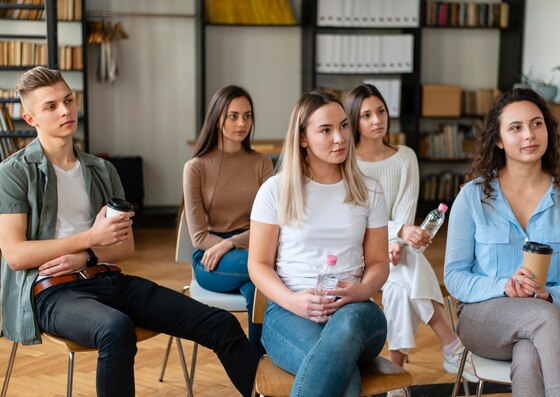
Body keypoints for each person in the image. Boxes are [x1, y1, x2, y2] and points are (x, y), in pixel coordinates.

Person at [0, 66, 261, 397]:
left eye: (68, 100)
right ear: (30, 118)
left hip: (108, 278)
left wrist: (86, 255)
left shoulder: (102, 170)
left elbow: (125, 247)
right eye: (50, 106)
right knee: (116, 328)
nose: (65, 110)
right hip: (52, 292)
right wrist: (90, 238)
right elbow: (15, 254)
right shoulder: (14, 173)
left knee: (221, 324)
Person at [444, 88, 560, 397]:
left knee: (530, 355)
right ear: (499, 139)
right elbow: (455, 277)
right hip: (486, 319)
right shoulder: (472, 197)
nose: (529, 134)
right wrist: (503, 286)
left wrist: (550, 296)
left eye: (536, 123)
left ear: (547, 130)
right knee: (542, 319)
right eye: (516, 127)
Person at [248, 91, 390, 396]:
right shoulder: (274, 191)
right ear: (302, 139)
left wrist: (363, 290)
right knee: (343, 375)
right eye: (325, 130)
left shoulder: (371, 191)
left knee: (347, 330)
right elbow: (257, 265)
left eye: (343, 126)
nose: (339, 138)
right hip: (289, 313)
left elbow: (379, 262)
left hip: (357, 313)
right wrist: (292, 301)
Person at [344, 84, 477, 391]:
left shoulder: (405, 157)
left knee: (399, 284)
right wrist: (398, 234)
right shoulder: (348, 164)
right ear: (354, 121)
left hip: (394, 251)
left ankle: (394, 380)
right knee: (407, 263)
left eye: (380, 111)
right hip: (358, 251)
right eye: (367, 115)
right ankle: (450, 344)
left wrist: (396, 241)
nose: (378, 120)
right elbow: (357, 220)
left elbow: (405, 213)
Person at [183, 85, 273, 353]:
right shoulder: (196, 167)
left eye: (247, 116)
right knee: (269, 268)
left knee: (258, 289)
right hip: (210, 257)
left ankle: (257, 365)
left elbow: (273, 223)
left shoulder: (262, 164)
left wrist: (232, 243)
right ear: (217, 118)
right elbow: (199, 237)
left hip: (252, 246)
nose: (241, 123)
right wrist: (225, 245)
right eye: (233, 116)